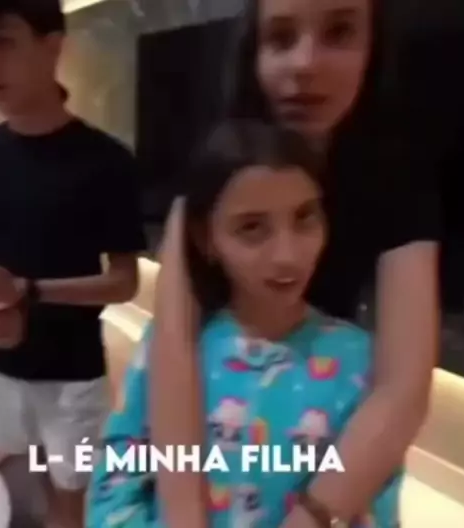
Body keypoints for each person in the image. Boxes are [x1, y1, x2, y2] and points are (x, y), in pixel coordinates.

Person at [154, 0, 439, 526]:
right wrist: (184, 516)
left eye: (339, 32)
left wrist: (313, 515)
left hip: (325, 422)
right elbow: (173, 341)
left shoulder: (399, 174)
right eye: (281, 38)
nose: (305, 64)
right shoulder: (215, 153)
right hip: (215, 424)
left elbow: (405, 385)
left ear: (373, 45)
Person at [87, 120, 403, 527]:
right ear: (206, 239)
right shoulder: (175, 346)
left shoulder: (358, 361)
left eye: (305, 218)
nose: (287, 255)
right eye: (252, 228)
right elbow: (117, 482)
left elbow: (373, 501)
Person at [0, 1, 146, 527]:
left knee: (69, 508)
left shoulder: (106, 161)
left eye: (1, 41)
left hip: (71, 379)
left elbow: (124, 283)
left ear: (53, 46)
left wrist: (29, 291)